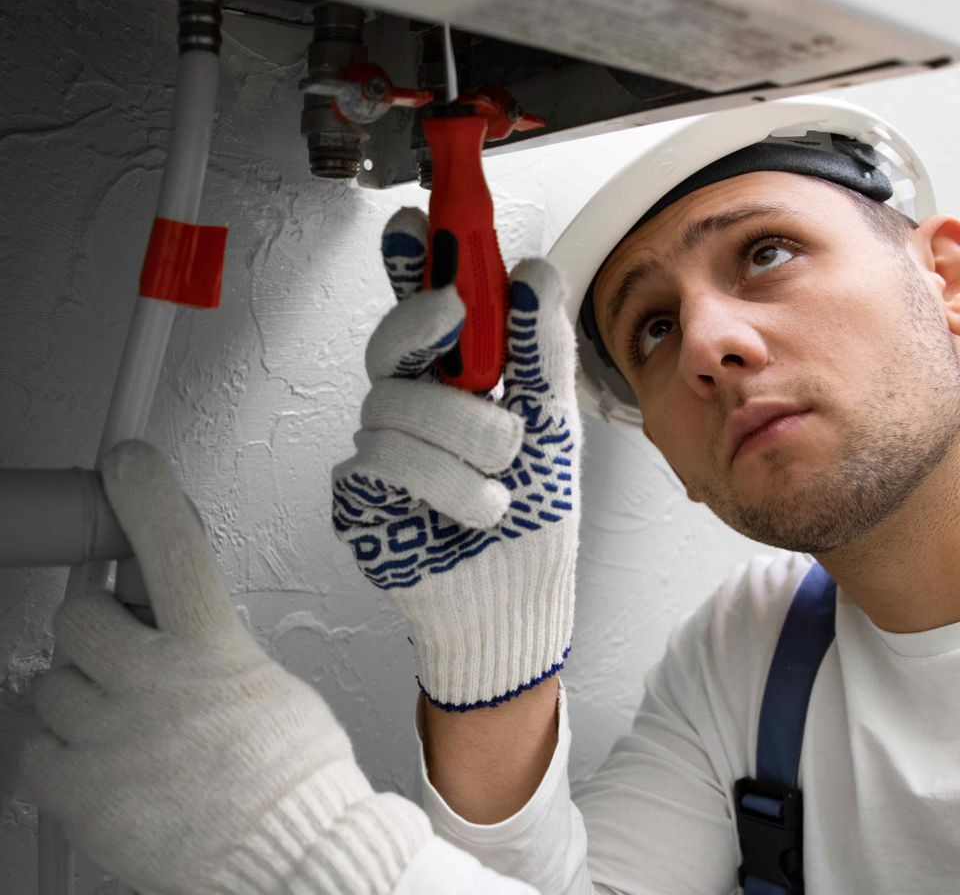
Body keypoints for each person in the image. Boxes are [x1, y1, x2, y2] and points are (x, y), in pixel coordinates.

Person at [20, 93, 960, 893]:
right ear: (676, 461)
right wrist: (494, 669)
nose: (711, 343)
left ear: (947, 277)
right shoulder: (753, 655)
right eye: (655, 330)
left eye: (766, 253)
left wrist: (302, 840)